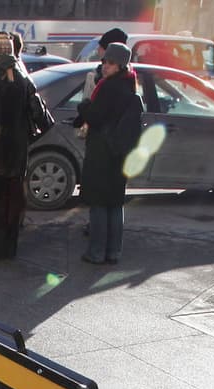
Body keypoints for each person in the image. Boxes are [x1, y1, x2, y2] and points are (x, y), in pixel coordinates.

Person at [0, 32, 52, 260]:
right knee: (13, 202)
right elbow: (43, 119)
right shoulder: (25, 80)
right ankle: (11, 249)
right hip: (17, 153)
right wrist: (26, 138)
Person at [77, 42, 143, 265]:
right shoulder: (130, 87)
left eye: (110, 62)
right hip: (120, 155)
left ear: (120, 65)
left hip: (102, 153)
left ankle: (96, 252)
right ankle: (113, 252)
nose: (105, 66)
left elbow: (95, 116)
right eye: (105, 61)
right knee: (115, 203)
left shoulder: (108, 87)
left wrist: (84, 106)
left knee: (98, 204)